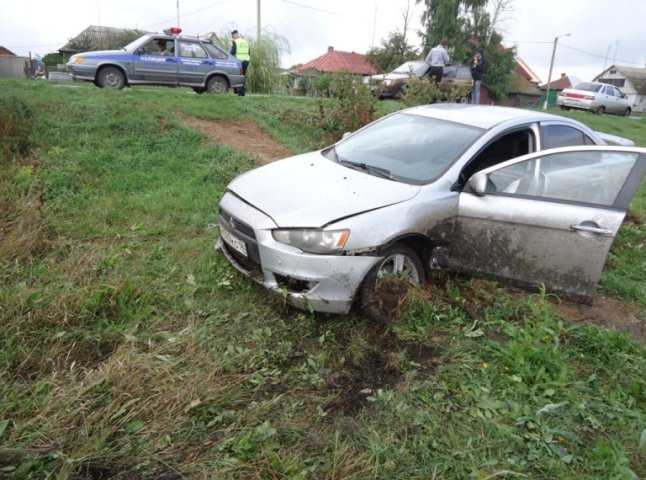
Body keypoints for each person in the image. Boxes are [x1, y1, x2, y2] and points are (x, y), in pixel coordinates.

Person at [230, 29, 250, 96]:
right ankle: (241, 91)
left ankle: (240, 92)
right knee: (243, 75)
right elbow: (249, 52)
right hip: (247, 60)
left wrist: (228, 56)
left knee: (239, 75)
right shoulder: (245, 41)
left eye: (233, 36)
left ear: (235, 35)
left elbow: (233, 52)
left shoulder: (235, 42)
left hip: (240, 61)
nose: (232, 38)